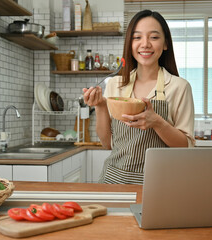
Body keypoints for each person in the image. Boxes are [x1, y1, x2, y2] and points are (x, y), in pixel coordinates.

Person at [82, 10, 195, 184]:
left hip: (159, 184)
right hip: (113, 181)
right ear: (130, 43)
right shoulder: (115, 84)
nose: (145, 44)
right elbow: (107, 144)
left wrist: (157, 122)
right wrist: (100, 106)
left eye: (154, 37)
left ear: (165, 44)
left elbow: (186, 146)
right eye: (137, 37)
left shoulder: (179, 87)